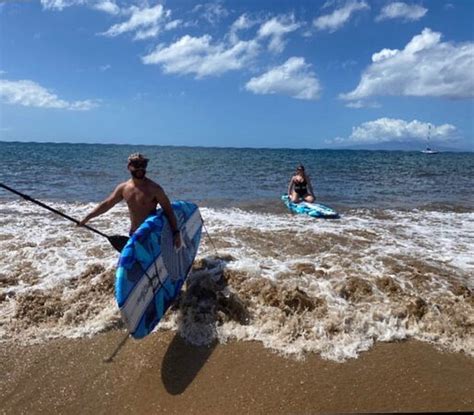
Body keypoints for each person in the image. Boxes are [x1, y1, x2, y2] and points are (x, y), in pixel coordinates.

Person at [79, 153, 181, 248]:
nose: (140, 168)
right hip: (134, 234)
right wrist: (87, 218)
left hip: (151, 234)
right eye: (136, 165)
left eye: (143, 164)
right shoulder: (124, 188)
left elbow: (168, 211)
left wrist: (176, 233)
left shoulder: (155, 189)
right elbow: (107, 204)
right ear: (129, 167)